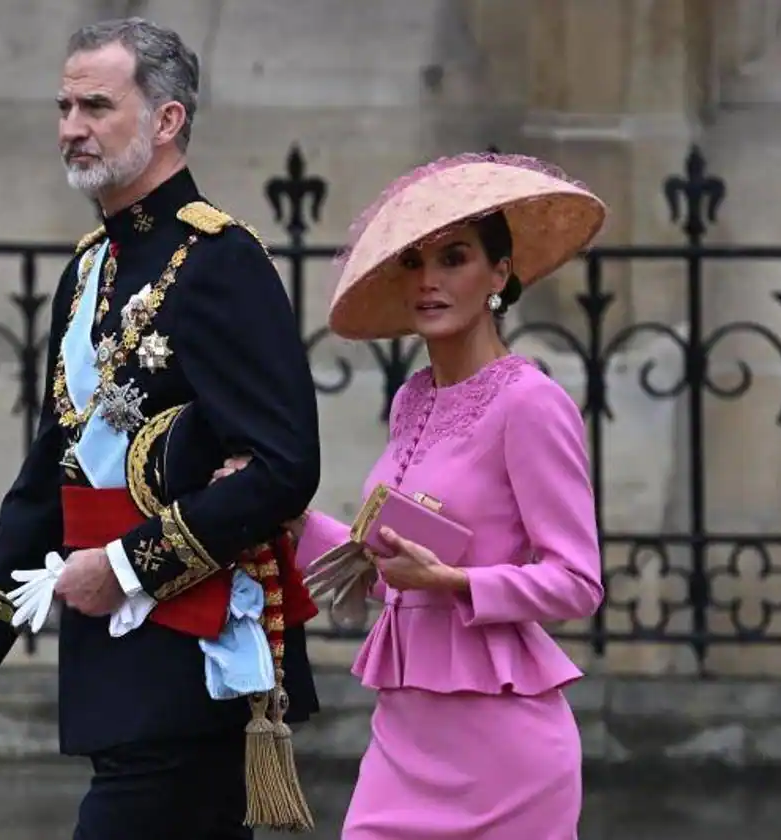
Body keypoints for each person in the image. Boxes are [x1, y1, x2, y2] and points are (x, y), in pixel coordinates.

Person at [0, 17, 322, 840]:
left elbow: (286, 466)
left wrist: (128, 567)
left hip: (194, 653)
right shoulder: (89, 269)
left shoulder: (221, 262)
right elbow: (49, 478)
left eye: (96, 106)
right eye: (64, 107)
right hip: (111, 660)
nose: (71, 128)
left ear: (166, 120)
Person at [217, 152, 608, 839]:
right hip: (403, 741)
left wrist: (454, 580)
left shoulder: (530, 402)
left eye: (454, 257)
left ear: (500, 274)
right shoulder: (411, 399)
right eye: (414, 262)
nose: (429, 280)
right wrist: (285, 513)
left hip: (505, 754)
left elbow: (576, 582)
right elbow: (384, 568)